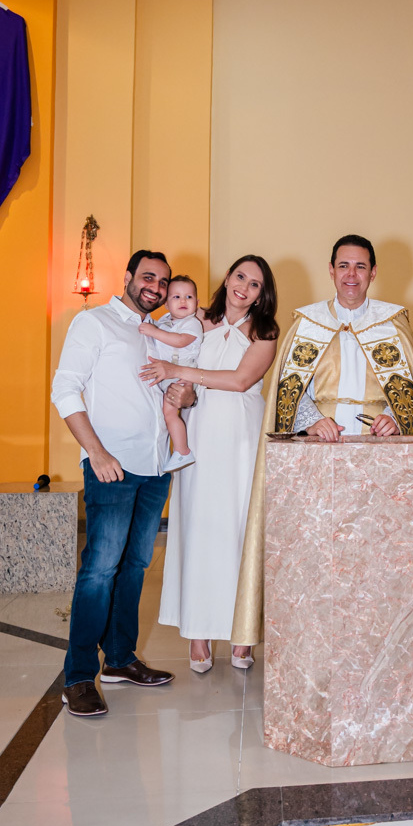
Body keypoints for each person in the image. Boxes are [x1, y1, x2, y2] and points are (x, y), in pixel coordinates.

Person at [230, 233, 413, 650]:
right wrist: (311, 420)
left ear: (373, 272)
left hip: (379, 455)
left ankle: (374, 641)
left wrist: (395, 418)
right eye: (343, 266)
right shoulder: (308, 323)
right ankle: (316, 638)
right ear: (331, 270)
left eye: (360, 266)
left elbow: (409, 392)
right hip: (319, 451)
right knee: (318, 551)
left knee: (374, 552)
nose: (351, 275)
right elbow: (288, 391)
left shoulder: (393, 322)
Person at [51, 250, 176, 718]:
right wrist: (97, 453)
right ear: (127, 277)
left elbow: (161, 392)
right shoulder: (95, 323)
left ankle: (120, 661)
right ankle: (79, 675)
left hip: (155, 468)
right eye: (148, 277)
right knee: (99, 571)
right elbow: (64, 388)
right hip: (112, 467)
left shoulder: (157, 333)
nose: (156, 287)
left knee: (136, 567)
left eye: (163, 281)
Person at [141, 256, 279, 672]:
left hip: (242, 436)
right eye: (240, 277)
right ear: (227, 278)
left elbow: (239, 381)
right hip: (200, 431)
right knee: (200, 528)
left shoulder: (266, 333)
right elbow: (165, 346)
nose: (244, 287)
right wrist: (178, 387)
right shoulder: (198, 321)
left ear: (261, 294)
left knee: (240, 529)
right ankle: (198, 633)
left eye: (255, 284)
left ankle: (242, 634)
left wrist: (178, 369)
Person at [139, 275, 203, 473]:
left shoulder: (192, 323)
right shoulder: (165, 321)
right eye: (176, 297)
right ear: (166, 304)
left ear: (197, 303)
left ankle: (182, 451)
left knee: (169, 413)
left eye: (189, 297)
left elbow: (180, 341)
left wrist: (153, 331)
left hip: (182, 375)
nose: (183, 301)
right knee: (165, 413)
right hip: (169, 376)